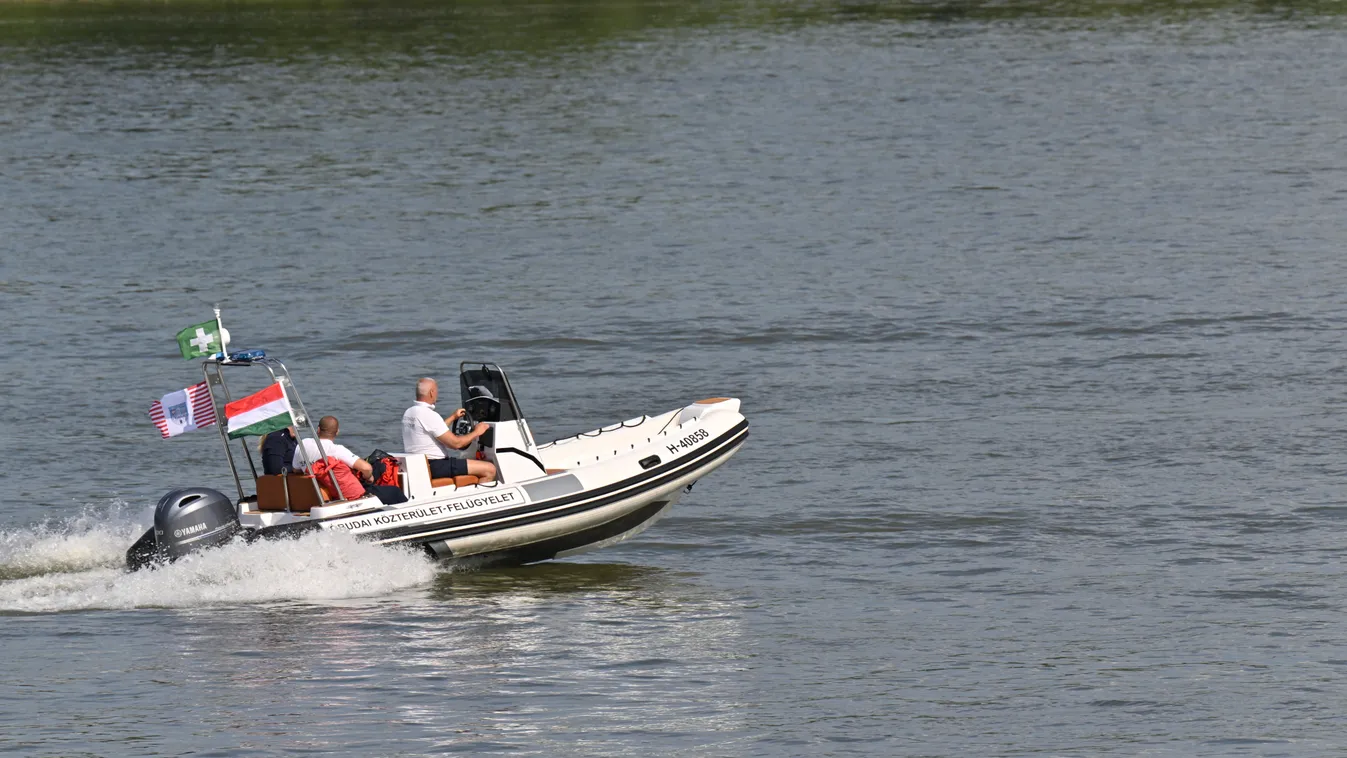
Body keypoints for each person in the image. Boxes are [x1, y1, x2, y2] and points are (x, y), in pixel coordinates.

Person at [292, 416, 406, 504]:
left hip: (317, 492)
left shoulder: (302, 445)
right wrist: (369, 478)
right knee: (394, 491)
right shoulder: (336, 450)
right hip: (343, 495)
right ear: (337, 432)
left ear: (318, 430)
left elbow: (296, 470)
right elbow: (366, 468)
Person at [401, 377, 497, 482]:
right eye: (437, 391)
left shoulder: (409, 412)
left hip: (420, 465)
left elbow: (434, 431)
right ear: (432, 393)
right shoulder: (428, 415)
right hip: (436, 466)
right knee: (490, 469)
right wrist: (477, 432)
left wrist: (453, 417)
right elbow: (456, 444)